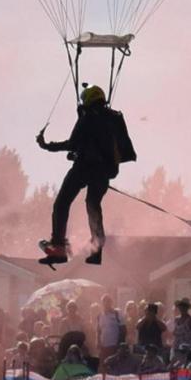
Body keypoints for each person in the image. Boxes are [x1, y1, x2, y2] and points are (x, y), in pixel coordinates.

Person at [35, 84, 138, 266]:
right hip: (105, 171)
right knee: (93, 205)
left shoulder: (88, 118)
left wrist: (46, 145)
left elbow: (72, 144)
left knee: (62, 203)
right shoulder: (114, 119)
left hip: (84, 168)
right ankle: (97, 247)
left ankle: (58, 247)